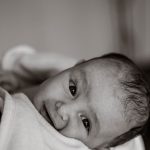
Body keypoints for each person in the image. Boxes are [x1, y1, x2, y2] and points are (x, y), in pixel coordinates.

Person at [0, 46, 149, 150]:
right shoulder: (34, 85)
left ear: (100, 147)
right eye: (72, 89)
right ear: (69, 68)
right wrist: (18, 83)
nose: (63, 109)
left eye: (86, 122)